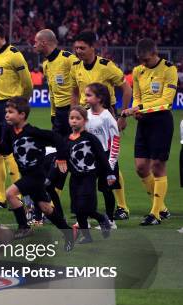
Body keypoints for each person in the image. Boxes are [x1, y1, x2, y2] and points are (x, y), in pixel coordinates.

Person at [0, 97, 75, 250]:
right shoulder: (10, 131)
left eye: (11, 112)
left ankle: (24, 227)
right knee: (46, 208)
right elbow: (7, 150)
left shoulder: (33, 132)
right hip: (27, 176)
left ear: (22, 115)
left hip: (36, 175)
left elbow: (57, 138)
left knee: (10, 194)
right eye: (6, 112)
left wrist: (61, 157)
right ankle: (67, 232)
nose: (7, 115)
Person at [71, 31, 132, 220]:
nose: (78, 51)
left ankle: (121, 206)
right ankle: (87, 208)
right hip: (84, 116)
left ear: (92, 47)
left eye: (82, 48)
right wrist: (74, 112)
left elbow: (126, 88)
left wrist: (122, 115)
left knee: (109, 160)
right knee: (88, 162)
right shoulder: (75, 66)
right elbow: (74, 90)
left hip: (105, 113)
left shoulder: (106, 66)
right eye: (76, 48)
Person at [122, 38, 178, 226]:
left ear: (155, 54)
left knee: (157, 166)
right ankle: (162, 208)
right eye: (141, 60)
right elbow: (137, 96)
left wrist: (139, 108)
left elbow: (166, 101)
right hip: (144, 121)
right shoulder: (138, 71)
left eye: (146, 60)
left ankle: (155, 213)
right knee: (140, 167)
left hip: (161, 121)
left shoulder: (169, 69)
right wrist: (137, 108)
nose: (143, 63)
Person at [0, 22, 30, 209]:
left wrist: (20, 106)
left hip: (10, 106)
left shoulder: (15, 56)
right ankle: (0, 198)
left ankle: (20, 196)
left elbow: (28, 83)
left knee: (8, 151)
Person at [66, 106, 115, 243]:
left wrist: (110, 174)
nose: (74, 121)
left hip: (89, 176)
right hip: (74, 178)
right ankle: (87, 237)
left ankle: (101, 218)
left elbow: (102, 156)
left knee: (84, 206)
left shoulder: (90, 138)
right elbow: (63, 158)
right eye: (72, 118)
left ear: (85, 121)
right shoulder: (67, 140)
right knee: (77, 210)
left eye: (78, 118)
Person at [84, 83, 121, 228]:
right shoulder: (85, 114)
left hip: (105, 158)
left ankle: (110, 221)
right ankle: (84, 220)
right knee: (87, 188)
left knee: (105, 189)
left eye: (89, 95)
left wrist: (111, 163)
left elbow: (115, 140)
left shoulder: (107, 117)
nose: (85, 98)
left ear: (99, 98)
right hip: (89, 158)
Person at [33, 29, 77, 137]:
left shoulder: (69, 59)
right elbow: (52, 91)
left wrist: (75, 111)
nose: (34, 45)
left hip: (72, 111)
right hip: (58, 113)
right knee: (58, 149)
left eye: (36, 42)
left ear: (44, 43)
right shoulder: (46, 64)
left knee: (73, 148)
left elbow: (81, 84)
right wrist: (53, 114)